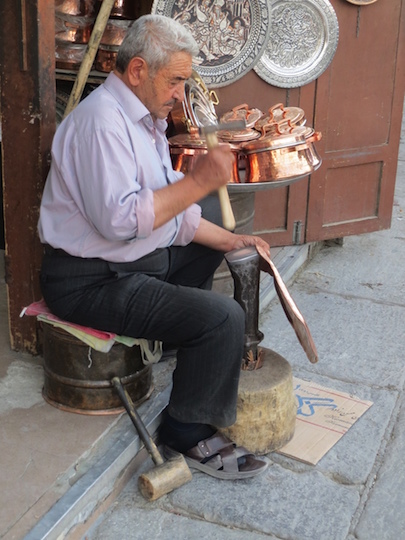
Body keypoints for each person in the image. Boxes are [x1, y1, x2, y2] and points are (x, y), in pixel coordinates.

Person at [38, 14, 270, 480]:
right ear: (139, 70)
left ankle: (168, 339)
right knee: (223, 318)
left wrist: (232, 238)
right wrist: (200, 181)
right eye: (176, 81)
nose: (181, 94)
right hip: (89, 280)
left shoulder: (145, 121)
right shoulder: (101, 123)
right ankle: (186, 430)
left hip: (130, 262)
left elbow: (170, 209)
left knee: (209, 246)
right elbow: (123, 221)